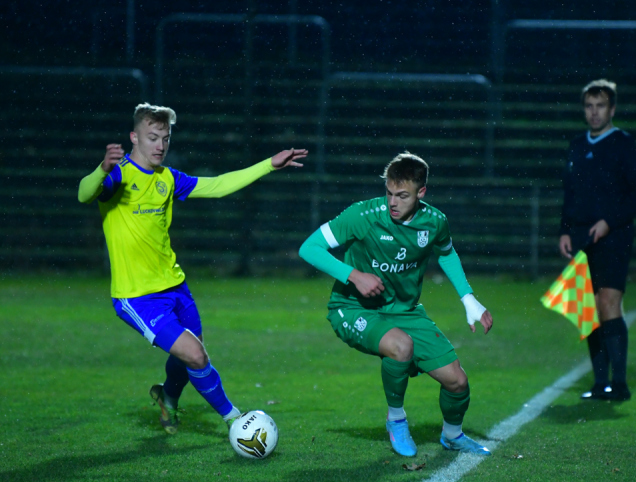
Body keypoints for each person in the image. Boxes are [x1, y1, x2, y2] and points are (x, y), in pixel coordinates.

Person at [78, 103, 307, 434]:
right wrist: (101, 168)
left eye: (165, 139)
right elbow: (85, 194)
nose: (160, 146)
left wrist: (268, 165)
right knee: (196, 356)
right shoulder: (118, 176)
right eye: (152, 137)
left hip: (175, 286)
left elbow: (217, 186)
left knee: (190, 354)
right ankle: (236, 421)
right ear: (134, 137)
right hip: (138, 296)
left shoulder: (168, 179)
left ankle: (168, 400)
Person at [298, 152, 493, 456]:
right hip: (353, 308)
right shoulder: (362, 216)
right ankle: (396, 419)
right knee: (401, 347)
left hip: (405, 312)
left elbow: (446, 253)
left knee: (457, 382)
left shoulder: (435, 222)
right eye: (389, 193)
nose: (393, 202)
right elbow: (309, 248)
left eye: (402, 196)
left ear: (421, 193)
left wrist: (468, 299)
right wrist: (353, 275)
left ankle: (453, 435)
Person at [558, 79, 636, 401]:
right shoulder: (577, 144)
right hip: (582, 235)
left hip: (615, 236)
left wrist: (609, 222)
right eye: (589, 106)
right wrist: (564, 230)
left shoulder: (623, 144)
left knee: (608, 302)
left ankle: (620, 384)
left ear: (612, 109)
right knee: (588, 309)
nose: (594, 112)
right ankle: (600, 384)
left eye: (600, 106)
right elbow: (570, 193)